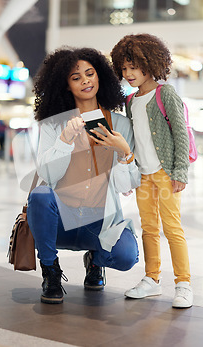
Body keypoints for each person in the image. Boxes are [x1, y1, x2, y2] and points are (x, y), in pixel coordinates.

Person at [27, 47, 141, 304]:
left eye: (90, 74)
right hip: (61, 220)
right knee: (40, 195)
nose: (86, 80)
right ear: (65, 85)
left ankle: (94, 260)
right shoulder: (53, 125)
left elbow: (126, 184)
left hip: (99, 222)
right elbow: (46, 173)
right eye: (76, 77)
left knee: (126, 256)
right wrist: (64, 140)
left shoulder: (121, 124)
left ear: (100, 76)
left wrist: (124, 153)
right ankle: (51, 271)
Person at [110, 34, 193, 308]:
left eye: (133, 66)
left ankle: (183, 284)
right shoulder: (131, 101)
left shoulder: (165, 93)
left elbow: (180, 133)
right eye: (123, 68)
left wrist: (180, 171)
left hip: (166, 173)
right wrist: (131, 172)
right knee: (148, 228)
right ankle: (152, 279)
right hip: (144, 175)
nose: (128, 73)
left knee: (172, 228)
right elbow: (133, 139)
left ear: (150, 62)